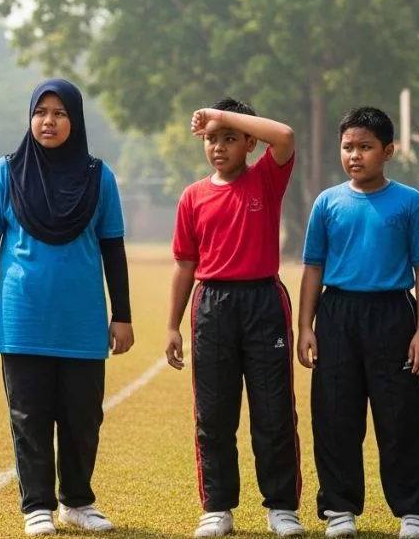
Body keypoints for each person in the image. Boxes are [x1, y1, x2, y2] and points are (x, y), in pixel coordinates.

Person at [0, 78, 134, 537]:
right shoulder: (5, 173)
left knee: (83, 419)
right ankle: (37, 506)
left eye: (59, 113)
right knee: (29, 417)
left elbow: (113, 248)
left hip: (82, 321)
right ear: (30, 118)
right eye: (40, 112)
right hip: (23, 319)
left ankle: (77, 502)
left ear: (75, 120)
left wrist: (122, 315)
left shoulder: (99, 177)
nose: (48, 121)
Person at [298, 107, 419, 539]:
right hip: (337, 314)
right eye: (347, 147)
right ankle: (339, 507)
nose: (354, 155)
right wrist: (305, 326)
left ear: (388, 151)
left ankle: (412, 509)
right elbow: (313, 268)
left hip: (394, 314)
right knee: (335, 414)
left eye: (365, 147)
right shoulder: (327, 203)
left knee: (401, 417)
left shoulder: (410, 202)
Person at [165, 98, 301, 538]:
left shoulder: (266, 178)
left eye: (229, 138)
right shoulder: (193, 197)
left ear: (250, 142)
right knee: (214, 413)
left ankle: (281, 507)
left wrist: (220, 115)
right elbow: (185, 264)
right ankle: (217, 508)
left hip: (264, 302)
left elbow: (285, 136)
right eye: (211, 139)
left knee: (273, 411)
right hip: (212, 306)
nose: (218, 147)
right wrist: (172, 325)